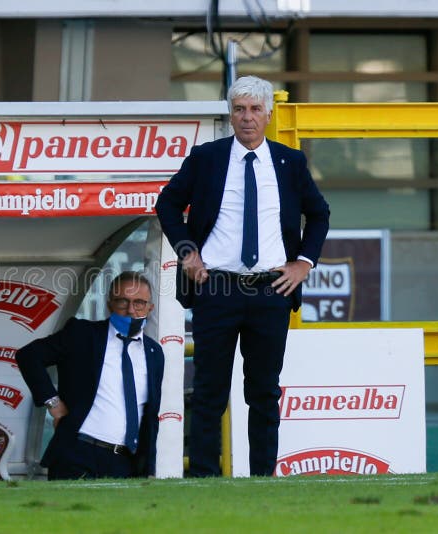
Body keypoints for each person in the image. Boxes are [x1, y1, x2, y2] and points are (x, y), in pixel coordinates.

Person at [155, 75, 330, 477]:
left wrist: (303, 263)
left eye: (254, 109)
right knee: (209, 392)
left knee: (264, 392)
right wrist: (187, 252)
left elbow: (319, 214)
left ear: (268, 114)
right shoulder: (207, 158)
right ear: (230, 114)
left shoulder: (290, 162)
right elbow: (167, 204)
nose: (247, 118)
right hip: (215, 288)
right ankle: (203, 479)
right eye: (239, 109)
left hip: (272, 290)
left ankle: (263, 479)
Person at [15, 271, 165, 480]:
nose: (131, 310)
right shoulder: (83, 334)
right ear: (110, 304)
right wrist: (54, 405)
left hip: (126, 463)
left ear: (150, 308)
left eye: (139, 303)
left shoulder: (154, 352)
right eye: (123, 301)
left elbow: (150, 414)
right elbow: (29, 356)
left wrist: (149, 469)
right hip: (78, 453)